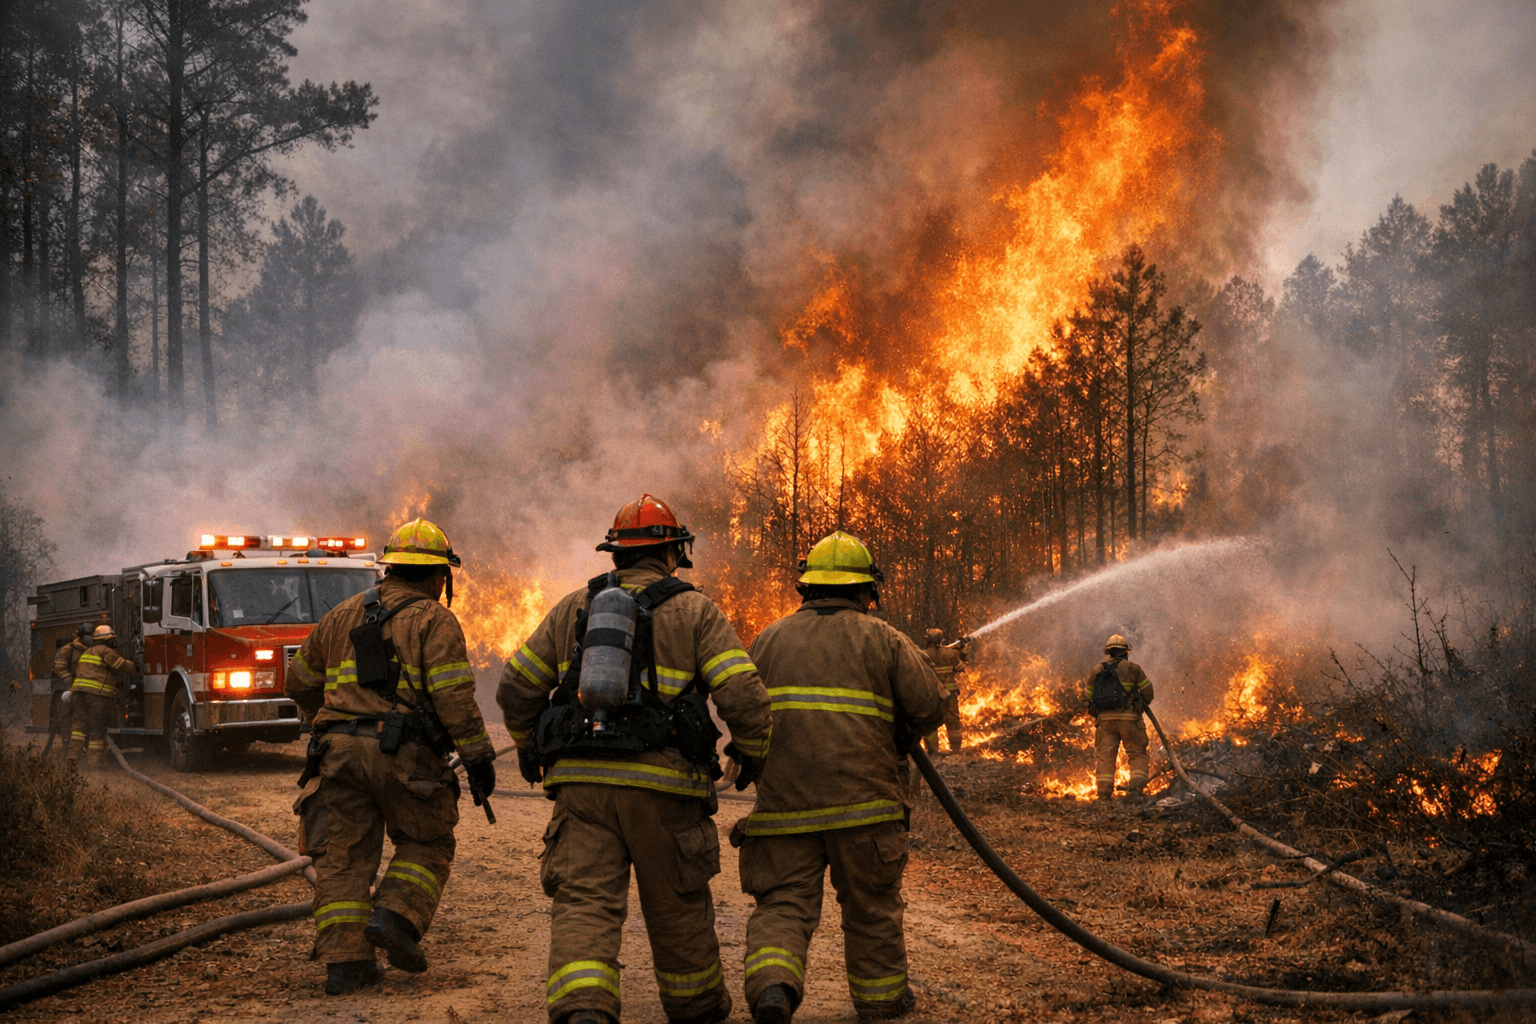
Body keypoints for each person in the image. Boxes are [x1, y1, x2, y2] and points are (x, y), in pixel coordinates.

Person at [498, 494, 773, 1024]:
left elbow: (515, 689)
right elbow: (743, 695)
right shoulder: (695, 611)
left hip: (582, 789)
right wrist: (752, 752)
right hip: (665, 789)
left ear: (615, 553)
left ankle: (583, 1008)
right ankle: (694, 1007)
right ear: (674, 553)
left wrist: (529, 744)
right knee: (677, 902)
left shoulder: (573, 607)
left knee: (583, 903)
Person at [735, 531, 947, 1024]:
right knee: (871, 908)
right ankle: (882, 1003)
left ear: (806, 588)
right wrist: (895, 734)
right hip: (866, 808)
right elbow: (931, 705)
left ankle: (773, 988)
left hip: (785, 808)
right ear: (866, 590)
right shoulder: (884, 638)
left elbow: (743, 708)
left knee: (783, 905)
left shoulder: (768, 638)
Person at [285, 517, 497, 996]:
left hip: (335, 754)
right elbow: (454, 698)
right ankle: (397, 917)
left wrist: (326, 718)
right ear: (440, 576)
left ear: (390, 568)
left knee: (342, 856)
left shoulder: (340, 614)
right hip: (406, 754)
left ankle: (346, 965)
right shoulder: (434, 619)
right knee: (429, 840)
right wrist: (479, 758)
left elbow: (297, 682)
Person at [1085, 634, 1154, 801]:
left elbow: (1088, 696)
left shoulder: (1097, 670)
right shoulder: (1133, 669)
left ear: (1109, 652)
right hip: (1129, 719)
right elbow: (1148, 693)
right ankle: (1136, 791)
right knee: (1137, 753)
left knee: (1105, 757)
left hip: (1105, 722)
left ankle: (1103, 794)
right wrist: (1138, 705)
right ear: (1125, 652)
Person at [70, 625, 136, 769]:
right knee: (97, 729)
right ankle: (94, 763)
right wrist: (134, 665)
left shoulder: (87, 651)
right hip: (97, 696)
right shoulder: (106, 651)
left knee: (78, 727)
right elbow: (122, 666)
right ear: (107, 640)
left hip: (78, 694)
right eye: (112, 640)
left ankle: (73, 759)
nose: (114, 642)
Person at [46, 623, 93, 757]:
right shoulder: (67, 650)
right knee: (66, 720)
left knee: (80, 720)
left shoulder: (87, 650)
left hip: (77, 691)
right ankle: (68, 750)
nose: (90, 639)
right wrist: (70, 686)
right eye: (88, 636)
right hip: (63, 692)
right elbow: (60, 669)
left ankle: (80, 749)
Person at [918, 628, 966, 755]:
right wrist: (961, 650)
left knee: (931, 721)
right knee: (953, 720)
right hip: (950, 693)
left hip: (931, 694)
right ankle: (956, 749)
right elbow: (961, 668)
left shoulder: (922, 655)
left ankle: (933, 750)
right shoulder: (950, 654)